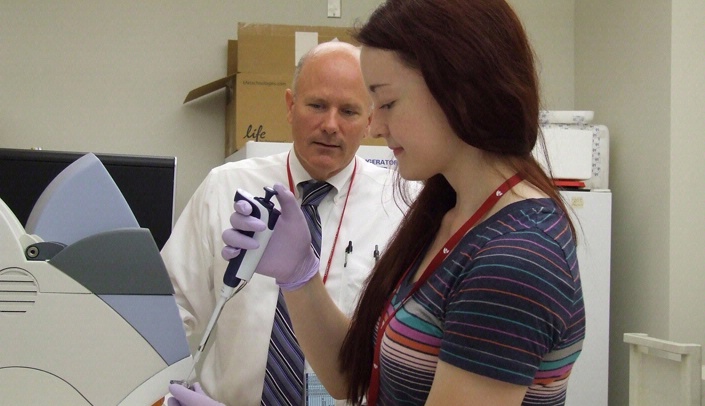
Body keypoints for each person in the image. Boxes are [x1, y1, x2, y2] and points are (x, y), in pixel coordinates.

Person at [173, 0, 586, 405]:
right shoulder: (447, 215)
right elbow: (353, 377)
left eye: (384, 103)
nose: (375, 125)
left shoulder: (517, 256)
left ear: (458, 90)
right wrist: (300, 277)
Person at [163, 40, 409, 405]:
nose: (330, 125)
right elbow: (172, 311)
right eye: (317, 105)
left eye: (349, 111)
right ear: (290, 106)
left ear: (371, 120)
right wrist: (166, 394)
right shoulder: (226, 187)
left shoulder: (402, 206)